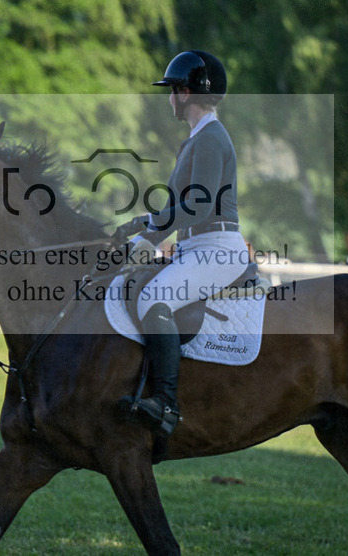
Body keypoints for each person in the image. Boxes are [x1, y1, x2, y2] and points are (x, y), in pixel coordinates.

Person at [114, 50, 248, 438]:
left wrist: (145, 221)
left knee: (153, 300)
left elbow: (199, 204)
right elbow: (176, 210)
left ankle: (167, 404)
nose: (169, 99)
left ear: (185, 93)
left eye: (171, 91)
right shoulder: (195, 139)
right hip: (194, 246)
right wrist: (135, 241)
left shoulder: (209, 137)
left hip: (217, 247)